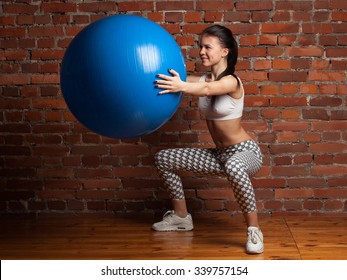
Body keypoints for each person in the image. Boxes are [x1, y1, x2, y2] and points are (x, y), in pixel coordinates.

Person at [152, 25, 264, 254]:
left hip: (245, 153)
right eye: (200, 46)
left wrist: (183, 86)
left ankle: (254, 229)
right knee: (164, 158)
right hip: (219, 155)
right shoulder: (202, 78)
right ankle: (181, 217)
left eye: (207, 47)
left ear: (225, 51)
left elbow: (206, 88)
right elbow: (185, 80)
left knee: (233, 164)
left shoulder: (232, 81)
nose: (201, 51)